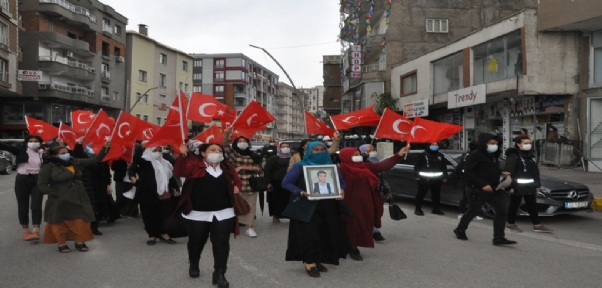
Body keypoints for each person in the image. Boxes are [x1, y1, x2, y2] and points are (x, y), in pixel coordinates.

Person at [173, 143, 242, 286]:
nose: (217, 152)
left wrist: (236, 188)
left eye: (219, 150)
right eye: (213, 150)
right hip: (197, 214)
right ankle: (194, 262)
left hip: (224, 213)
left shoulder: (227, 168)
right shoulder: (194, 165)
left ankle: (220, 273)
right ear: (203, 153)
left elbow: (237, 182)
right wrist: (182, 155)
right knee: (196, 242)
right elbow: (179, 171)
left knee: (222, 243)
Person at [281, 141, 351, 278]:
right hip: (306, 207)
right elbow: (286, 183)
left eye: (321, 149)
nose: (319, 152)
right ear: (309, 152)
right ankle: (309, 262)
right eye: (315, 150)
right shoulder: (300, 166)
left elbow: (341, 182)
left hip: (328, 207)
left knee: (324, 234)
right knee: (309, 236)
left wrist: (341, 190)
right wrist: (301, 192)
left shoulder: (332, 167)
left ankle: (318, 260)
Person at [338, 146, 409, 261]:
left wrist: (398, 155)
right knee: (353, 224)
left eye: (359, 154)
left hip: (367, 201)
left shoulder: (365, 167)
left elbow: (383, 166)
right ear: (346, 157)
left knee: (366, 222)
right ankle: (353, 248)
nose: (358, 157)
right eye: (355, 155)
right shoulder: (342, 170)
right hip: (350, 202)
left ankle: (352, 244)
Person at [37, 143, 109, 253]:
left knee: (80, 219)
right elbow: (41, 185)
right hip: (59, 198)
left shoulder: (74, 161)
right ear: (54, 155)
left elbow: (95, 160)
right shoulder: (48, 166)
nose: (66, 155)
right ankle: (62, 243)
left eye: (67, 152)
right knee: (59, 221)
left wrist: (105, 148)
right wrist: (54, 193)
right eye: (63, 153)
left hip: (77, 195)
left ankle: (80, 241)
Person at [454, 133, 517, 246]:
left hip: (494, 188)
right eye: (491, 143)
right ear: (484, 143)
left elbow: (488, 169)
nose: (494, 146)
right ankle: (460, 229)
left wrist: (501, 172)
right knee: (472, 212)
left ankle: (499, 237)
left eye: (496, 144)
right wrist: (482, 185)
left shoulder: (493, 155)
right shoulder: (474, 155)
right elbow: (469, 172)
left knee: (502, 210)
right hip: (478, 190)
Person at [128, 146, 179, 245]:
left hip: (164, 192)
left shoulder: (165, 163)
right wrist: (141, 147)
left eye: (159, 151)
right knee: (148, 214)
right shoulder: (144, 162)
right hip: (147, 192)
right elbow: (135, 162)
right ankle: (152, 235)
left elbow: (170, 177)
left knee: (165, 214)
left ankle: (164, 234)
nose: (157, 153)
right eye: (154, 150)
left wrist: (176, 188)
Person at [504, 136, 553, 233]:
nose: (528, 145)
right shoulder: (513, 156)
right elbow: (509, 172)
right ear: (518, 144)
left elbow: (535, 172)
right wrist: (510, 186)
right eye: (525, 143)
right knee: (514, 205)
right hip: (517, 186)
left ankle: (537, 224)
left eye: (529, 143)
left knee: (532, 206)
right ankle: (510, 223)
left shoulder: (531, 156)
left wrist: (537, 185)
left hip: (530, 186)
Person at [0, 135, 45, 241]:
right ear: (27, 142)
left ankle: (35, 230)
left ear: (40, 143)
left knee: (36, 206)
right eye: (30, 141)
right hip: (22, 180)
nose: (33, 143)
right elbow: (4, 146)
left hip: (37, 180)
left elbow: (60, 154)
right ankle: (26, 231)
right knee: (22, 207)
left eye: (36, 141)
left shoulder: (43, 153)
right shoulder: (21, 151)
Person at [222, 128, 263, 238]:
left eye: (244, 141)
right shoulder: (233, 154)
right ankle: (233, 225)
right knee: (234, 205)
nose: (242, 143)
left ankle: (250, 228)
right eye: (239, 141)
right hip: (235, 183)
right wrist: (226, 134)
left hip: (251, 183)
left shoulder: (253, 155)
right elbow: (225, 146)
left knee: (251, 206)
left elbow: (259, 168)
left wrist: (242, 167)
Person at [72, 142, 119, 236]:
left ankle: (94, 227)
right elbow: (77, 154)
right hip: (86, 185)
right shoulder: (82, 158)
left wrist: (108, 184)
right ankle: (86, 227)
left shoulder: (100, 159)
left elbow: (105, 171)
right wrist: (78, 144)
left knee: (97, 205)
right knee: (87, 207)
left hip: (99, 186)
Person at [413, 142, 448, 216]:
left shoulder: (440, 155)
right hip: (424, 179)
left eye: (436, 145)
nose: (434, 146)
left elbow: (443, 167)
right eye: (433, 145)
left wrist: (445, 176)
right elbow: (417, 166)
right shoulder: (423, 155)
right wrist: (416, 176)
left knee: (436, 195)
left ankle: (436, 209)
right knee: (421, 194)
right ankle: (418, 209)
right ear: (429, 146)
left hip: (437, 179)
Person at [264, 142, 292, 223]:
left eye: (287, 146)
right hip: (276, 183)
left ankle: (289, 215)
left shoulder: (293, 158)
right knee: (276, 200)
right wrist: (268, 182)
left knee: (288, 200)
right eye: (283, 147)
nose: (285, 148)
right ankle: (276, 216)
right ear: (279, 148)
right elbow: (267, 170)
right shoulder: (274, 158)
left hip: (290, 183)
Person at [456, 141, 483, 221]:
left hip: (476, 179)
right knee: (466, 197)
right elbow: (459, 168)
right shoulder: (469, 155)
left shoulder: (477, 155)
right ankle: (461, 213)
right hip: (468, 179)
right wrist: (461, 176)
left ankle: (473, 213)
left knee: (475, 198)